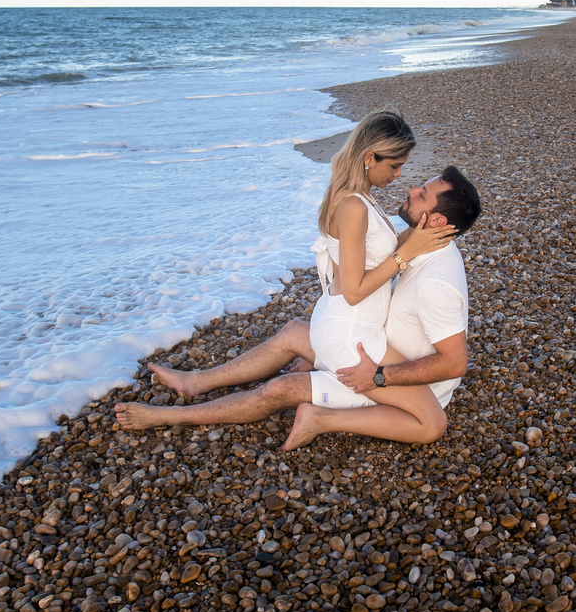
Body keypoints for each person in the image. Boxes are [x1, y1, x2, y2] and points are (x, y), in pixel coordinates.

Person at [114, 109, 481, 449]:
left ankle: (195, 382)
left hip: (345, 324)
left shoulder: (358, 197)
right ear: (370, 158)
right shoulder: (354, 206)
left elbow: (373, 252)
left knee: (291, 336)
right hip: (353, 335)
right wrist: (405, 253)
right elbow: (355, 291)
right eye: (396, 165)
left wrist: (410, 243)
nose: (401, 177)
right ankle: (169, 416)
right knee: (432, 422)